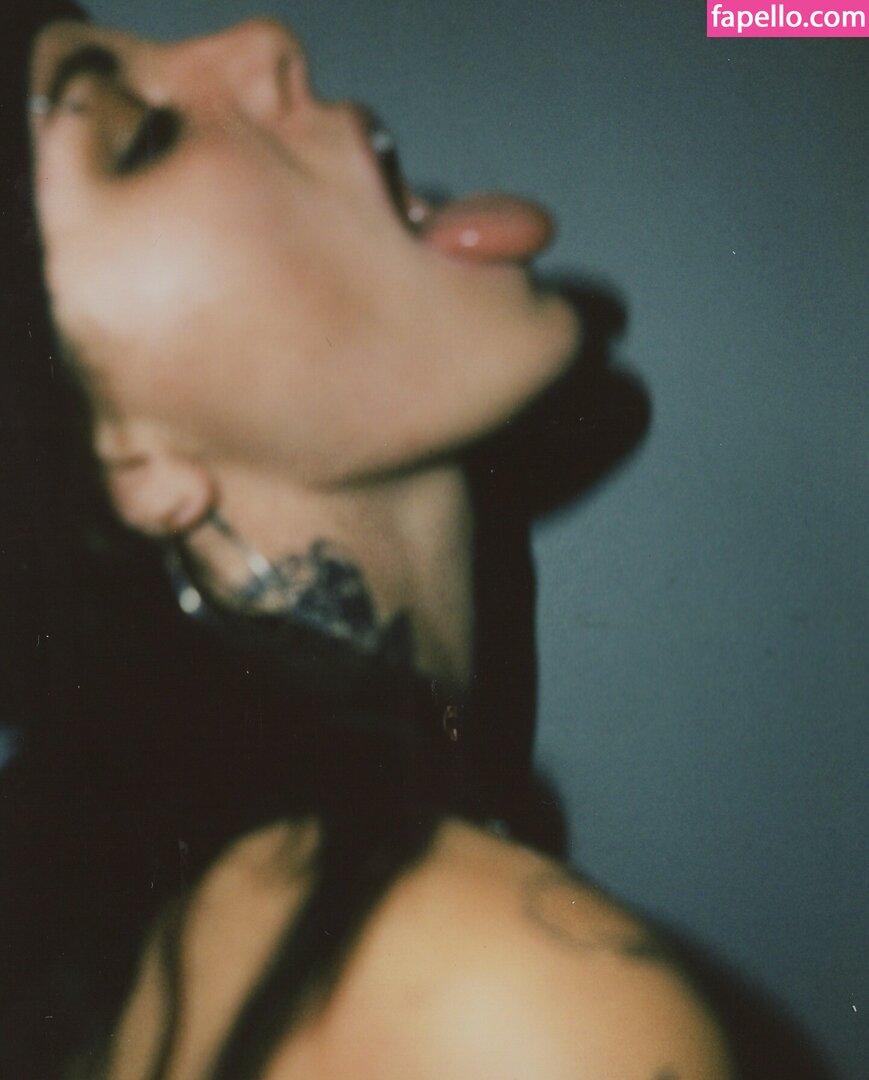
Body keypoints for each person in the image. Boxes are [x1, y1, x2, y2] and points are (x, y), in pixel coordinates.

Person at [1, 3, 733, 1078]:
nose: (263, 38)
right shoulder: (500, 1001)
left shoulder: (236, 943)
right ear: (134, 469)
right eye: (139, 135)